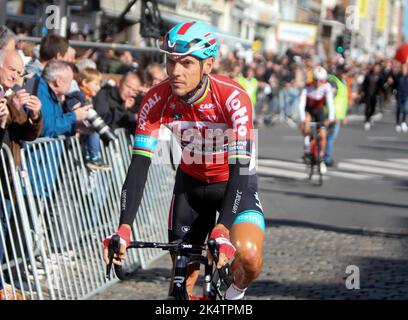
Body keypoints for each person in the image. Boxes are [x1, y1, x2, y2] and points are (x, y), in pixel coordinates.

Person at [103, 21, 265, 300]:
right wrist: (125, 225)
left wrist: (224, 226)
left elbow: (240, 167)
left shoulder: (233, 97)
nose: (175, 71)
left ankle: (233, 296)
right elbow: (139, 165)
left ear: (208, 65)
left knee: (248, 256)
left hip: (233, 183)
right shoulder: (157, 99)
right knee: (181, 283)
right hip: (191, 186)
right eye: (170, 62)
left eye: (187, 63)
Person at [65, 67, 111, 170]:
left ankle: (91, 156)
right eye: (96, 84)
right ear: (85, 82)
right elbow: (71, 108)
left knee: (93, 129)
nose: (98, 87)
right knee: (93, 130)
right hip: (74, 129)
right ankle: (93, 157)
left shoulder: (87, 97)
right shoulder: (76, 95)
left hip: (81, 132)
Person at [298, 66, 335, 174]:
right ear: (313, 79)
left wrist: (331, 117)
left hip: (319, 111)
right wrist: (302, 119)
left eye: (321, 81)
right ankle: (306, 148)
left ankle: (321, 158)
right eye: (316, 80)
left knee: (323, 135)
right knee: (306, 125)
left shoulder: (326, 87)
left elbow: (330, 103)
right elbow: (301, 104)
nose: (319, 83)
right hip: (309, 111)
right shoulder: (307, 87)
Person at [93, 71, 143, 136]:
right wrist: (121, 109)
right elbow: (102, 120)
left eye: (134, 90)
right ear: (119, 83)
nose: (130, 92)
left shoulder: (135, 101)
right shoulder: (105, 94)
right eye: (128, 86)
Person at [325, 66, 349, 167]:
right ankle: (325, 157)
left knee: (330, 137)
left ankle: (323, 155)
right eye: (343, 72)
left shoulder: (343, 82)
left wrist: (344, 116)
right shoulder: (333, 81)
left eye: (345, 72)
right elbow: (331, 98)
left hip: (339, 114)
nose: (344, 74)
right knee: (329, 137)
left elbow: (343, 101)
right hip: (332, 114)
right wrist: (333, 114)